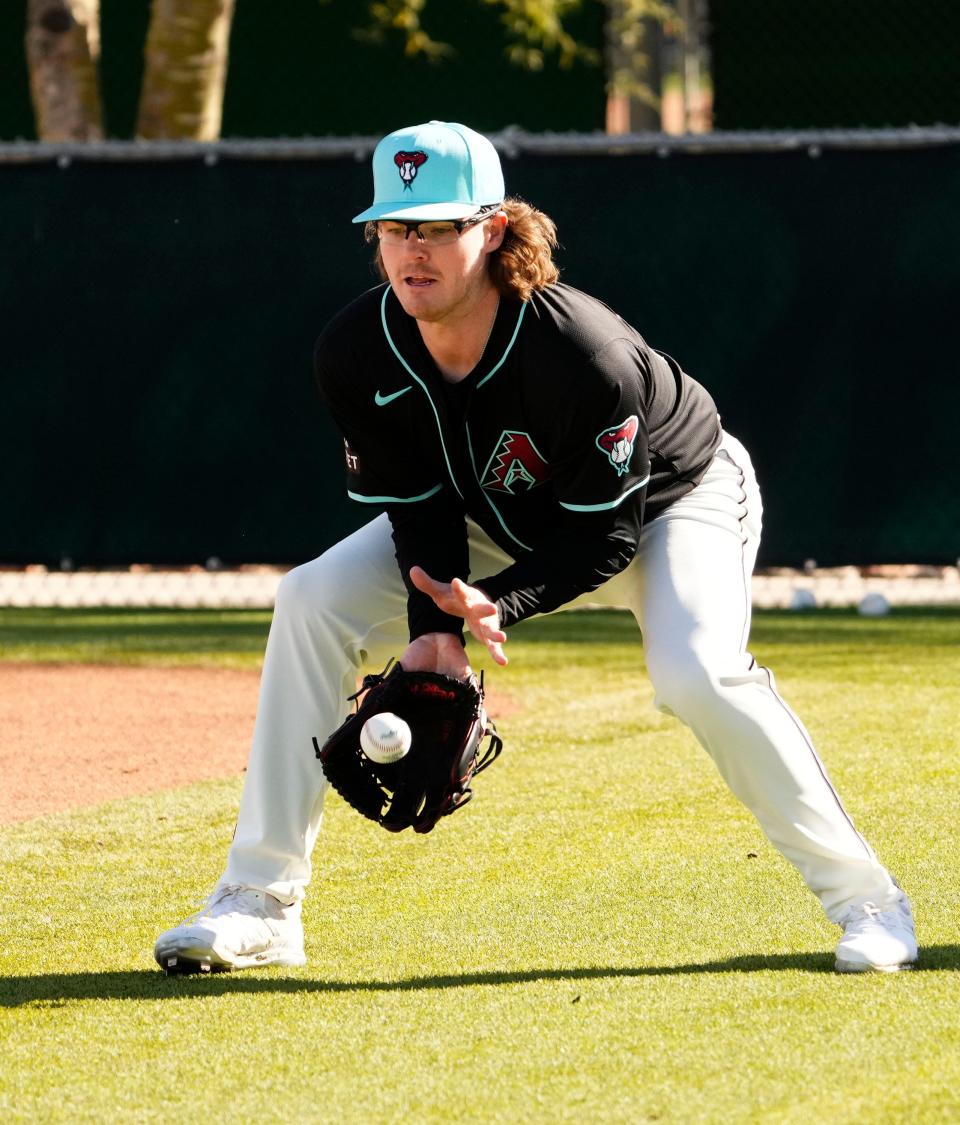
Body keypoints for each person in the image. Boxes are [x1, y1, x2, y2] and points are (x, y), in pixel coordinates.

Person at [154, 120, 917, 975]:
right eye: (396, 228)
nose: (416, 250)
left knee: (696, 673)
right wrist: (434, 631)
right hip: (494, 513)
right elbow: (420, 506)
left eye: (440, 227)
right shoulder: (357, 348)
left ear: (497, 228)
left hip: (671, 503)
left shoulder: (584, 355)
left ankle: (870, 901)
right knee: (311, 601)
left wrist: (500, 602)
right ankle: (261, 900)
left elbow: (605, 537)